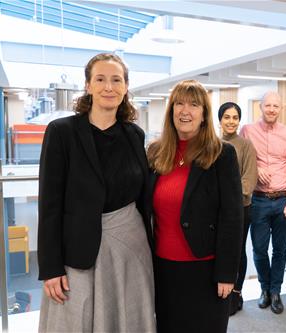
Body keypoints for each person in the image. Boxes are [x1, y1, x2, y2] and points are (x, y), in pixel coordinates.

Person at [37, 53, 155, 332]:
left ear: (126, 87)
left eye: (116, 80)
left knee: (127, 319)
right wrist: (51, 267)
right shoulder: (61, 132)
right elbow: (50, 203)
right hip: (77, 251)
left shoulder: (134, 135)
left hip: (130, 249)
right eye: (100, 79)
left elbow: (142, 198)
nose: (108, 87)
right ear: (88, 86)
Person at [148, 80, 243, 332]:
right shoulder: (156, 153)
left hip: (205, 268)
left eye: (193, 104)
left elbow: (232, 218)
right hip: (163, 268)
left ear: (204, 114)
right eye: (179, 103)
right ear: (171, 111)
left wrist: (226, 274)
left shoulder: (222, 154)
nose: (185, 110)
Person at [240, 91, 286, 314]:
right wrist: (258, 169)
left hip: (283, 198)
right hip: (259, 200)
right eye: (268, 105)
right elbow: (244, 161)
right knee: (259, 249)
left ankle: (276, 291)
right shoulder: (247, 130)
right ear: (261, 107)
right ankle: (264, 288)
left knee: (280, 250)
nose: (272, 109)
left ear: (280, 108)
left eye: (276, 106)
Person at [218, 102, 258, 315]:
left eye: (235, 117)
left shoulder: (245, 146)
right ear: (220, 120)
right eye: (227, 117)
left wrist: (221, 196)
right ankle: (219, 291)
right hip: (214, 211)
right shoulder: (211, 144)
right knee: (217, 250)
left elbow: (249, 182)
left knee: (237, 250)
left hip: (240, 209)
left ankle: (236, 292)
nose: (231, 121)